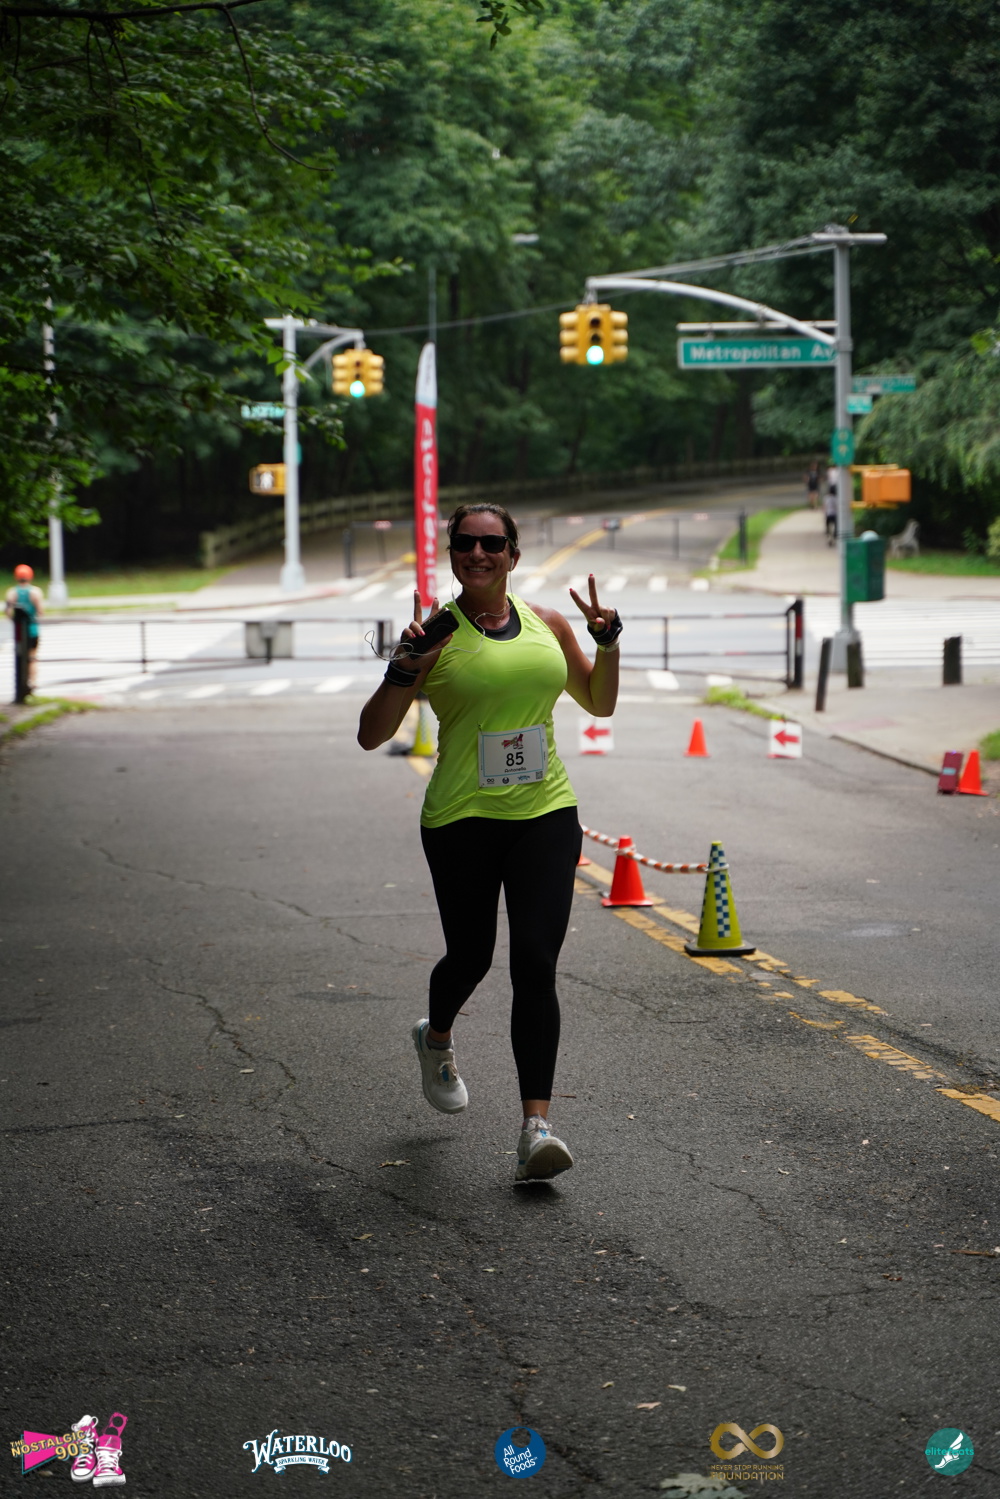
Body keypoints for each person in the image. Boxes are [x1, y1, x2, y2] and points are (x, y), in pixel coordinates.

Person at [358, 502, 620, 1182]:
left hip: (545, 812)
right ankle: (436, 1036)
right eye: (465, 543)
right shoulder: (435, 634)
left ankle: (536, 1128)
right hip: (461, 818)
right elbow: (371, 734)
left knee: (534, 962)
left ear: (513, 554)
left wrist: (607, 642)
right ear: (453, 553)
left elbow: (599, 702)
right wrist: (403, 667)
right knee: (471, 957)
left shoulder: (548, 623)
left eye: (492, 543)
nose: (478, 553)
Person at [5, 564, 44, 693]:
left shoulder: (12, 592)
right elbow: (40, 611)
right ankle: (33, 681)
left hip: (19, 632)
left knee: (20, 655)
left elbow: (8, 612)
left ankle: (21, 681)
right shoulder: (35, 592)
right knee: (32, 657)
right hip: (32, 629)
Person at [823, 473, 838, 545]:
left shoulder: (826, 498)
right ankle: (834, 537)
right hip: (834, 514)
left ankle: (829, 536)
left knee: (828, 527)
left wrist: (825, 513)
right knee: (835, 526)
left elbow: (824, 507)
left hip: (828, 514)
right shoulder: (836, 498)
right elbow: (837, 506)